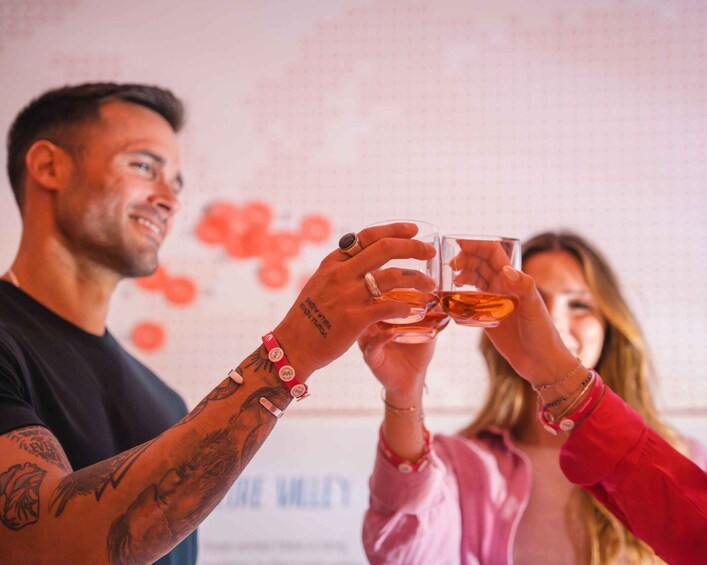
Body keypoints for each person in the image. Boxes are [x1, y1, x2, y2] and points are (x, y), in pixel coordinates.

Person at [0, 82, 435, 564]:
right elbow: (44, 544)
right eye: (143, 166)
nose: (169, 200)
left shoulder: (164, 402)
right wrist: (290, 352)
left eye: (177, 184)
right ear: (48, 166)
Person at [361, 231, 707, 564]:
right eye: (536, 303)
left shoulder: (683, 460)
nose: (554, 324)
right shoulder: (460, 465)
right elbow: (400, 555)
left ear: (609, 327)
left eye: (579, 305)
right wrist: (404, 391)